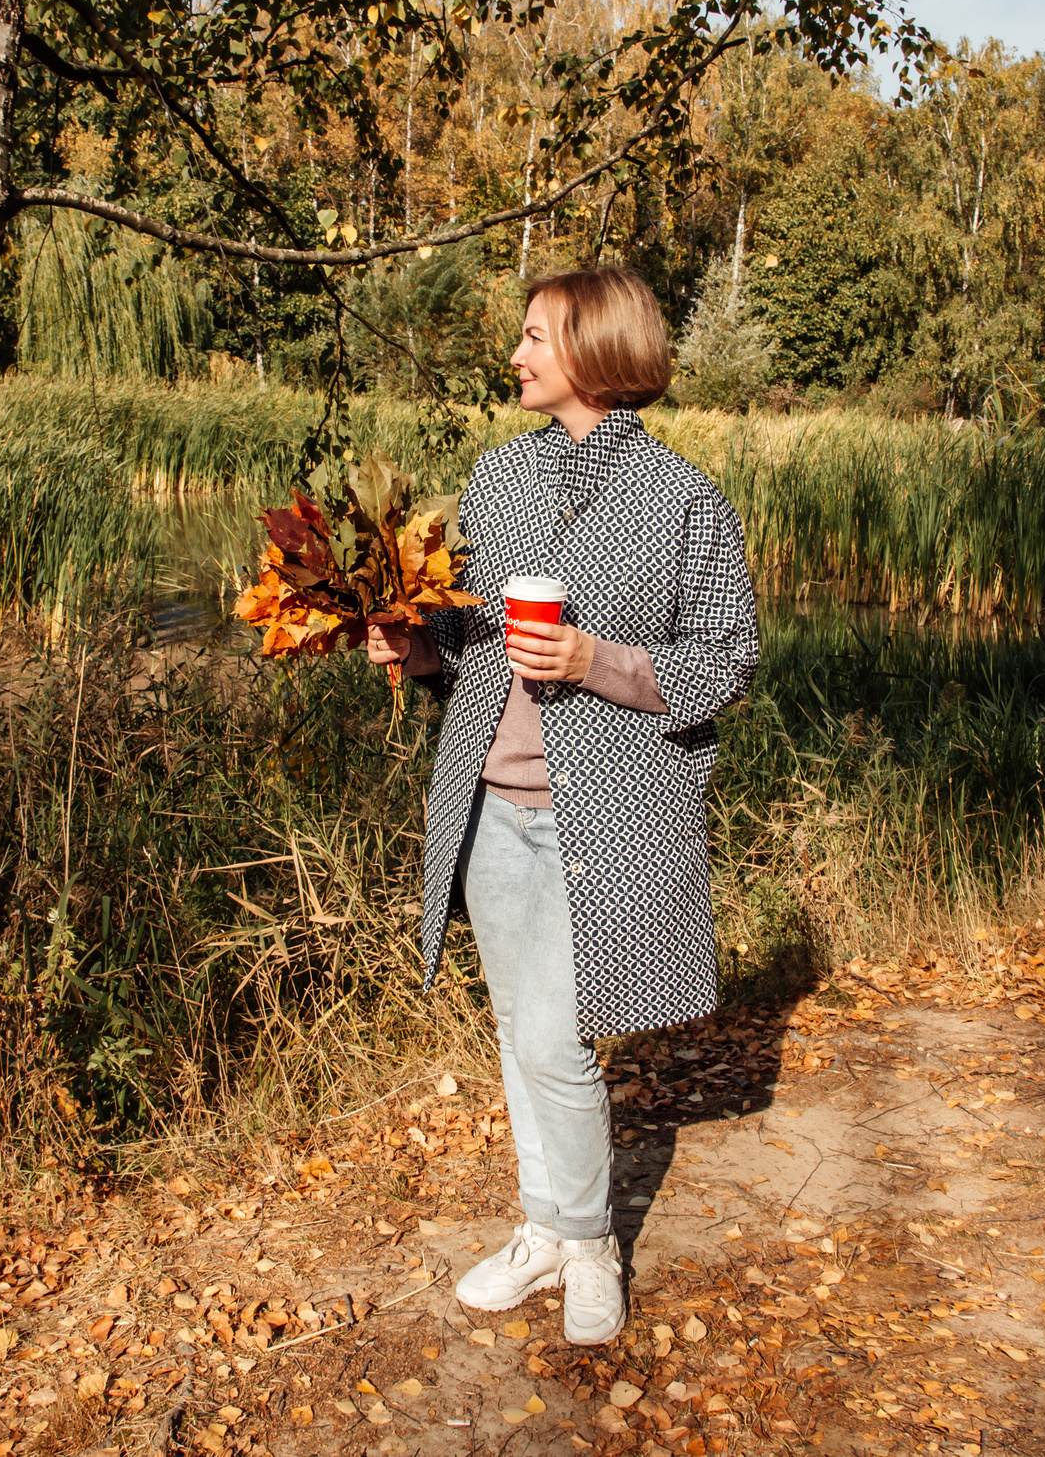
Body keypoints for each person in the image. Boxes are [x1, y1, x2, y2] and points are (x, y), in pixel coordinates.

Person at [366, 265, 760, 1346]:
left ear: (590, 348)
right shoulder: (496, 481)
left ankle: (585, 1244)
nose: (516, 354)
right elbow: (470, 635)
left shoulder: (684, 498)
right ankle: (545, 1227)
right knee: (518, 1026)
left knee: (557, 1038)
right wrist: (414, 644)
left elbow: (728, 657)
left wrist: (597, 659)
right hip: (487, 803)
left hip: (612, 809)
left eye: (534, 335)